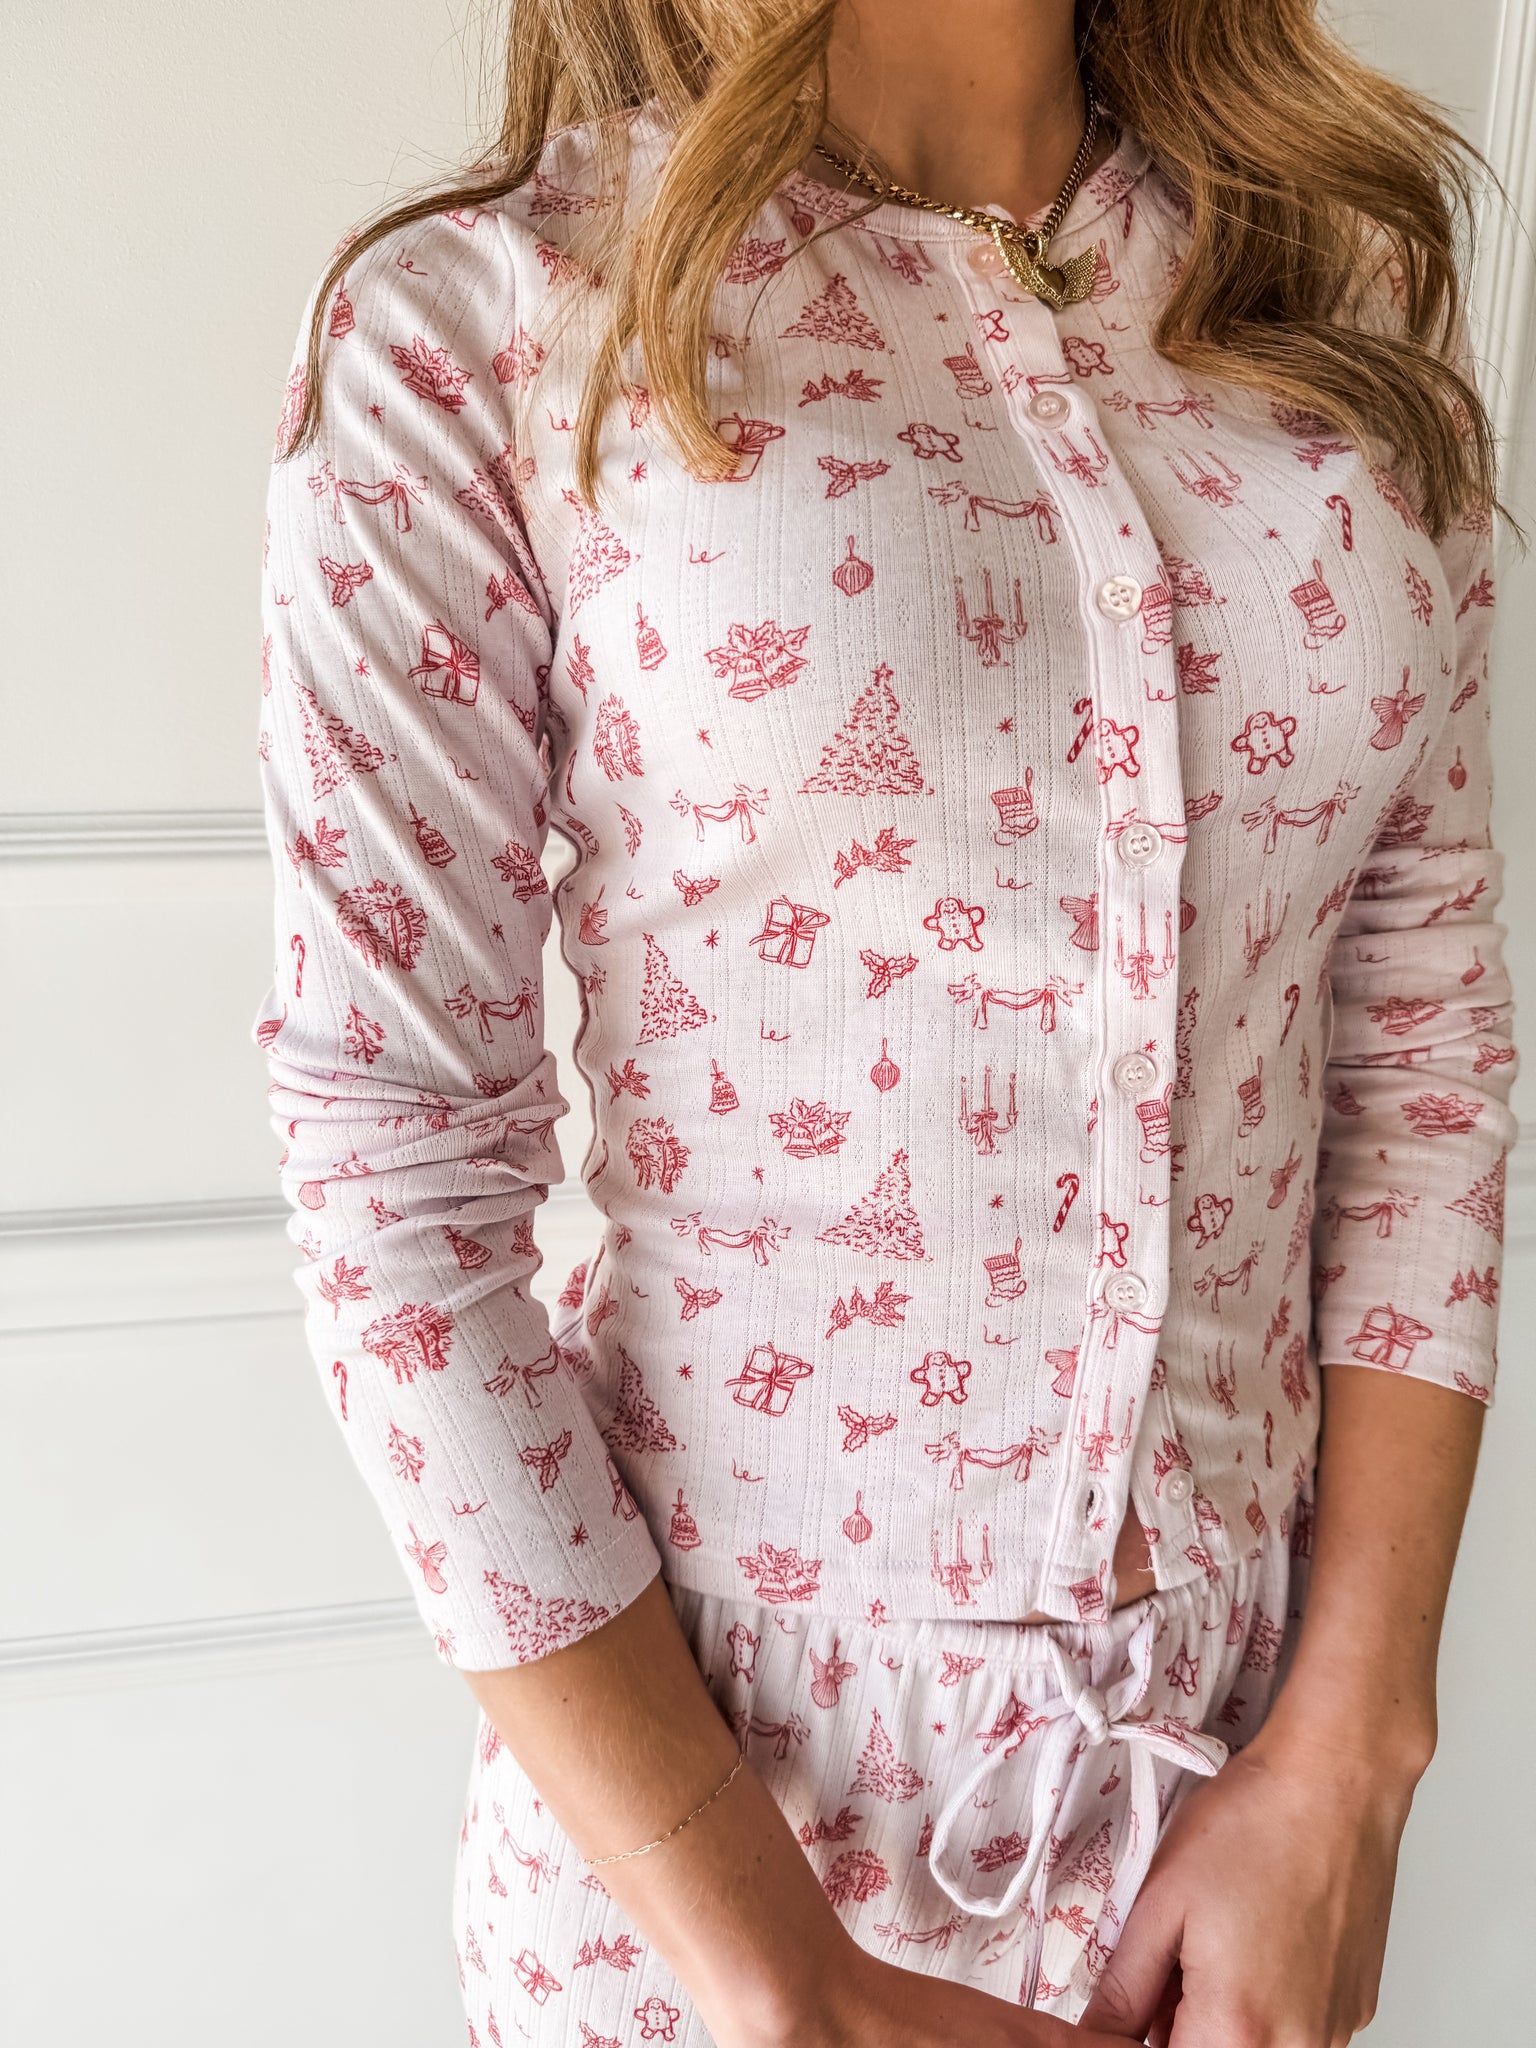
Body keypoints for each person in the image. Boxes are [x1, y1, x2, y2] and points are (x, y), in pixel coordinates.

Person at [253, 2, 1521, 2042]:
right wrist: (792, 1987)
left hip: (1239, 1813)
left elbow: (1426, 1047)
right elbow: (395, 1197)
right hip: (715, 1857)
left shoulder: (1337, 290)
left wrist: (1353, 1750)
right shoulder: (483, 327)